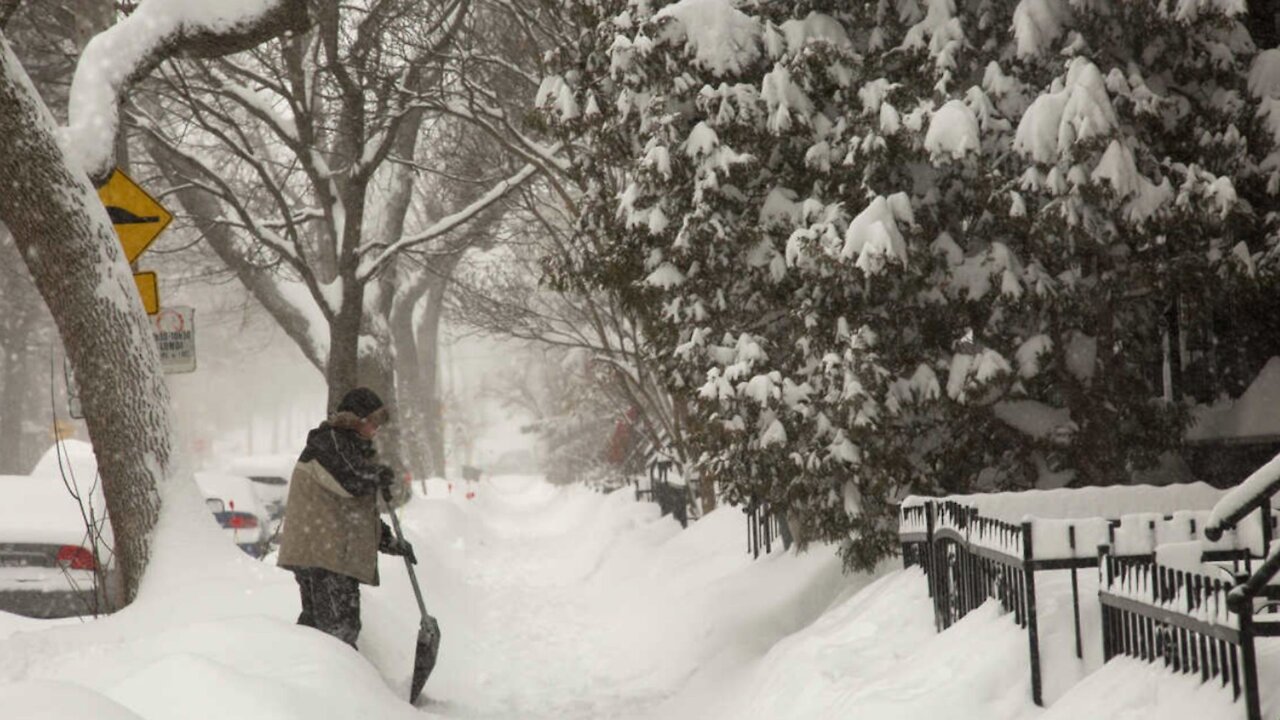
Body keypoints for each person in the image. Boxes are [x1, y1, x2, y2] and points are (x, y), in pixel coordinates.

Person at [277, 387, 416, 648]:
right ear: (357, 419)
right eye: (373, 422)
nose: (375, 429)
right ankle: (333, 685)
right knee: (339, 633)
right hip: (322, 556)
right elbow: (351, 481)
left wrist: (388, 541)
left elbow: (354, 512)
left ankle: (302, 679)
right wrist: (375, 476)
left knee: (318, 631)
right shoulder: (329, 442)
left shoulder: (348, 447)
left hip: (324, 554)